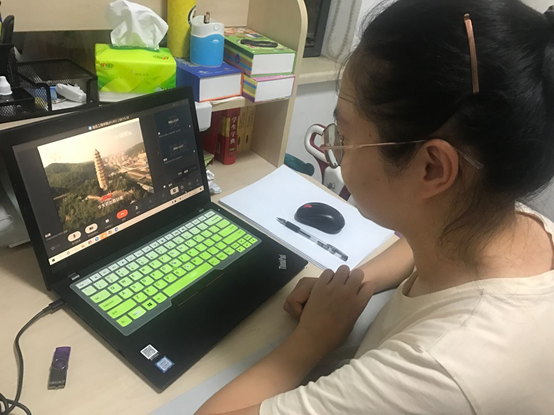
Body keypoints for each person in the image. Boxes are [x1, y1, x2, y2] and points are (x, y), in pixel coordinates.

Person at [197, 0, 554, 413]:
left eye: (345, 137)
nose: (335, 149)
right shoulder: (519, 224)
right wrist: (358, 283)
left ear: (432, 169)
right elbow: (421, 245)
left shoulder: (439, 369)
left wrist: (312, 339)